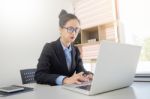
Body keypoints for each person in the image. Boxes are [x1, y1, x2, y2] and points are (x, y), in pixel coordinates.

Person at [34, 9, 93, 86]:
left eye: (76, 29)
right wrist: (65, 80)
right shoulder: (49, 48)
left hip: (69, 90)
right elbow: (39, 75)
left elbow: (81, 70)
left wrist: (89, 75)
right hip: (52, 91)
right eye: (70, 29)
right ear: (60, 29)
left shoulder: (75, 50)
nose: (74, 33)